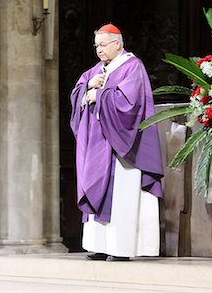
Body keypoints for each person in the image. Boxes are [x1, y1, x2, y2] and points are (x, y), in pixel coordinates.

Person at [70, 23, 164, 261]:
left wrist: (99, 96)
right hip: (97, 145)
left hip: (123, 148)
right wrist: (87, 89)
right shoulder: (96, 70)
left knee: (122, 195)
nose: (99, 50)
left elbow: (129, 104)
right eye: (96, 46)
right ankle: (100, 246)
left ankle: (121, 248)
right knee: (96, 188)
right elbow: (78, 90)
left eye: (103, 45)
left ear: (117, 43)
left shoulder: (132, 67)